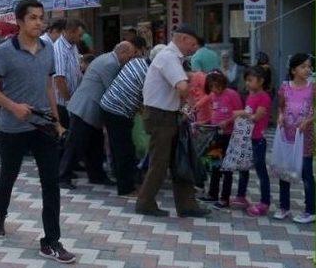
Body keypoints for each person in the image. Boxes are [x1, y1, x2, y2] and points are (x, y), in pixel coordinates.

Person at [0, 0, 75, 264]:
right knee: (8, 176)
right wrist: (13, 107)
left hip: (42, 126)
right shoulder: (4, 51)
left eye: (41, 18)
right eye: (33, 18)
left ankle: (51, 241)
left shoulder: (48, 49)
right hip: (12, 127)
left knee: (51, 183)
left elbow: (49, 87)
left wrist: (56, 121)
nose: (39, 22)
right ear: (20, 22)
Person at [135, 24, 210, 218]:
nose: (193, 49)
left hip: (169, 114)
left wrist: (184, 110)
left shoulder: (175, 58)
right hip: (161, 116)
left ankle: (187, 204)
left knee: (181, 158)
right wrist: (190, 89)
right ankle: (145, 202)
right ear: (183, 39)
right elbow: (182, 87)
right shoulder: (168, 57)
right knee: (160, 162)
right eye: (192, 45)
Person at [58, 41, 137, 190]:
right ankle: (63, 176)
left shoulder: (107, 58)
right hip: (85, 108)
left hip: (91, 110)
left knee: (95, 145)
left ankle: (97, 175)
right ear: (123, 53)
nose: (130, 60)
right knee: (75, 144)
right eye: (130, 56)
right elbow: (113, 89)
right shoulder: (110, 64)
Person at [99, 39, 151, 196]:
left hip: (109, 107)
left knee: (121, 149)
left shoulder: (137, 62)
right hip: (117, 112)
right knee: (124, 150)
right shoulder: (149, 74)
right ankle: (125, 188)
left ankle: (126, 182)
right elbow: (149, 100)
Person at [273, 53, 314, 224]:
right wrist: (280, 117)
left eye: (309, 66)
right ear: (293, 70)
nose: (308, 69)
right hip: (286, 137)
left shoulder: (313, 87)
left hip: (305, 138)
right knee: (285, 171)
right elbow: (281, 108)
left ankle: (311, 210)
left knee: (306, 173)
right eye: (303, 66)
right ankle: (284, 207)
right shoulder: (284, 87)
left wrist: (309, 121)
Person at [229, 66, 272, 216]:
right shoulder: (251, 95)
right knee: (243, 167)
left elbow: (257, 117)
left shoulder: (264, 97)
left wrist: (241, 113)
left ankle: (265, 202)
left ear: (261, 81)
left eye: (250, 80)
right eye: (246, 80)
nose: (247, 83)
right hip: (247, 137)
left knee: (261, 171)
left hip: (258, 140)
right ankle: (241, 196)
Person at [198, 71, 244, 210]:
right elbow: (214, 117)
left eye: (216, 86)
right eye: (211, 87)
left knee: (227, 168)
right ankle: (212, 194)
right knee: (214, 164)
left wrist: (227, 121)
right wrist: (202, 123)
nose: (214, 90)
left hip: (229, 135)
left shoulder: (231, 94)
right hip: (217, 134)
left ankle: (224, 198)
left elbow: (240, 113)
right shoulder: (214, 96)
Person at [53, 18, 85, 128]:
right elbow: (60, 79)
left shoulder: (73, 46)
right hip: (64, 104)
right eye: (79, 35)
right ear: (71, 32)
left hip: (74, 101)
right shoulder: (59, 49)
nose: (80, 38)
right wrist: (68, 101)